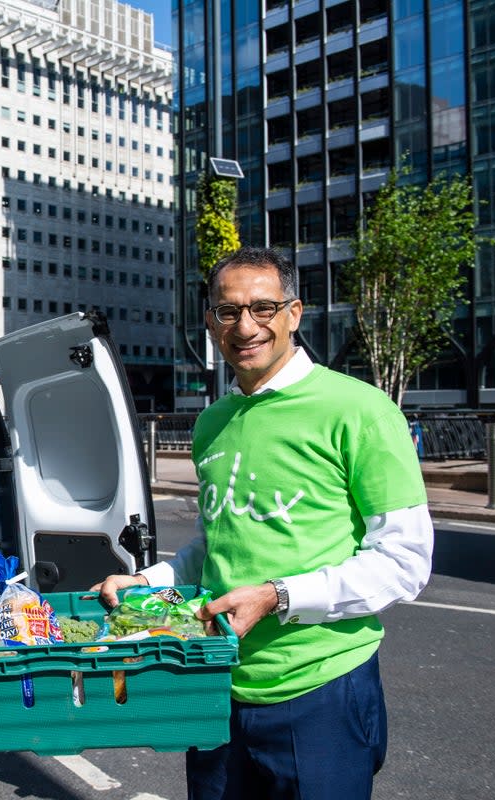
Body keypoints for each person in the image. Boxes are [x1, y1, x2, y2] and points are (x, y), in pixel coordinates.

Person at [94, 246, 433, 800]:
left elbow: (405, 562)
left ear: (293, 313)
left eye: (263, 308)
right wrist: (150, 583)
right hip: (217, 683)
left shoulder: (361, 411)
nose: (245, 326)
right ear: (211, 323)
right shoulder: (213, 423)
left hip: (322, 688)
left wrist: (277, 596)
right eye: (228, 312)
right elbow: (215, 546)